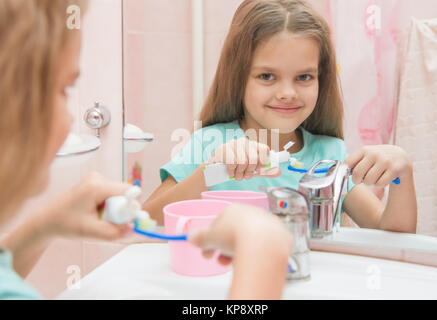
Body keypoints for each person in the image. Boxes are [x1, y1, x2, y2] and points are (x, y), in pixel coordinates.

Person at [0, 0, 292, 300]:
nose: (71, 118)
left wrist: (45, 225)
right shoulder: (210, 139)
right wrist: (263, 247)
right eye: (62, 90)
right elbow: (152, 218)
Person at [143, 0, 417, 233]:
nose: (288, 93)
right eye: (267, 76)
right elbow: (145, 224)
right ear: (238, 79)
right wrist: (211, 171)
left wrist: (402, 173)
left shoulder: (329, 155)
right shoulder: (209, 144)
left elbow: (393, 240)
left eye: (304, 77)